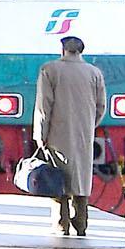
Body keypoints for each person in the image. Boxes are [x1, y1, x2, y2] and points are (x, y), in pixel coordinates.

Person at [34, 33, 107, 238]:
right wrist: (89, 124)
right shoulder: (94, 73)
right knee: (81, 176)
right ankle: (81, 223)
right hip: (84, 131)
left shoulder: (50, 70)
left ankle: (61, 223)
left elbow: (43, 106)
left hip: (57, 132)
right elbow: (101, 106)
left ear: (62, 50)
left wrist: (41, 134)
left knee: (58, 176)